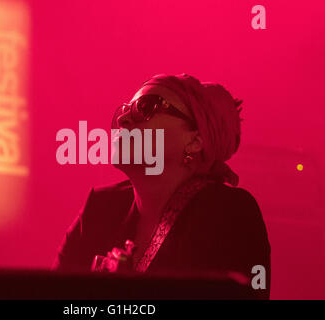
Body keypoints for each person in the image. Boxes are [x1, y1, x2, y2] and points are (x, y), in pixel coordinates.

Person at [53, 73, 271, 298]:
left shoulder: (230, 214)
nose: (122, 120)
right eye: (125, 110)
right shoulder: (100, 208)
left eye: (146, 107)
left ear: (195, 141)